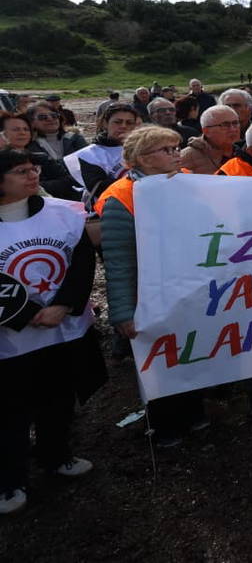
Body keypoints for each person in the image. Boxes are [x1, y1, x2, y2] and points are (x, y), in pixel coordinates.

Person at [0, 149, 104, 514]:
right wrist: (24, 313)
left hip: (63, 327)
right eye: (20, 171)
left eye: (34, 168)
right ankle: (9, 481)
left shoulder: (63, 213)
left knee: (58, 398)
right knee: (10, 412)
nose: (32, 175)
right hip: (10, 340)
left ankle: (57, 455)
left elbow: (81, 261)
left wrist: (62, 305)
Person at [100, 126, 209, 446]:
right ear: (142, 159)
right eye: (167, 149)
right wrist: (122, 311)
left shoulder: (190, 182)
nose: (177, 154)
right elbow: (119, 261)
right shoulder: (120, 197)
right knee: (162, 359)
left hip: (191, 287)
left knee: (194, 348)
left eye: (176, 147)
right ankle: (165, 423)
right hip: (149, 295)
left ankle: (194, 409)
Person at [64, 103, 140, 209]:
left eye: (129, 123)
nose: (123, 126)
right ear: (105, 124)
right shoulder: (89, 154)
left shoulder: (145, 147)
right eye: (117, 122)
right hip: (111, 208)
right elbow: (99, 188)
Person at [1, 112, 77, 200]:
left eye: (26, 129)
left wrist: (33, 185)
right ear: (2, 134)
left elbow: (68, 182)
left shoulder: (40, 158)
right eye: (16, 129)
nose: (22, 133)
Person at [178, 104, 241, 175]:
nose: (233, 129)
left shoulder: (245, 152)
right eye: (225, 125)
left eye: (235, 123)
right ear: (206, 131)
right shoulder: (186, 158)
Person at [28, 100, 87, 167]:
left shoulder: (75, 138)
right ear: (32, 122)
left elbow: (87, 162)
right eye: (42, 117)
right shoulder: (30, 144)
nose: (50, 119)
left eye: (54, 115)